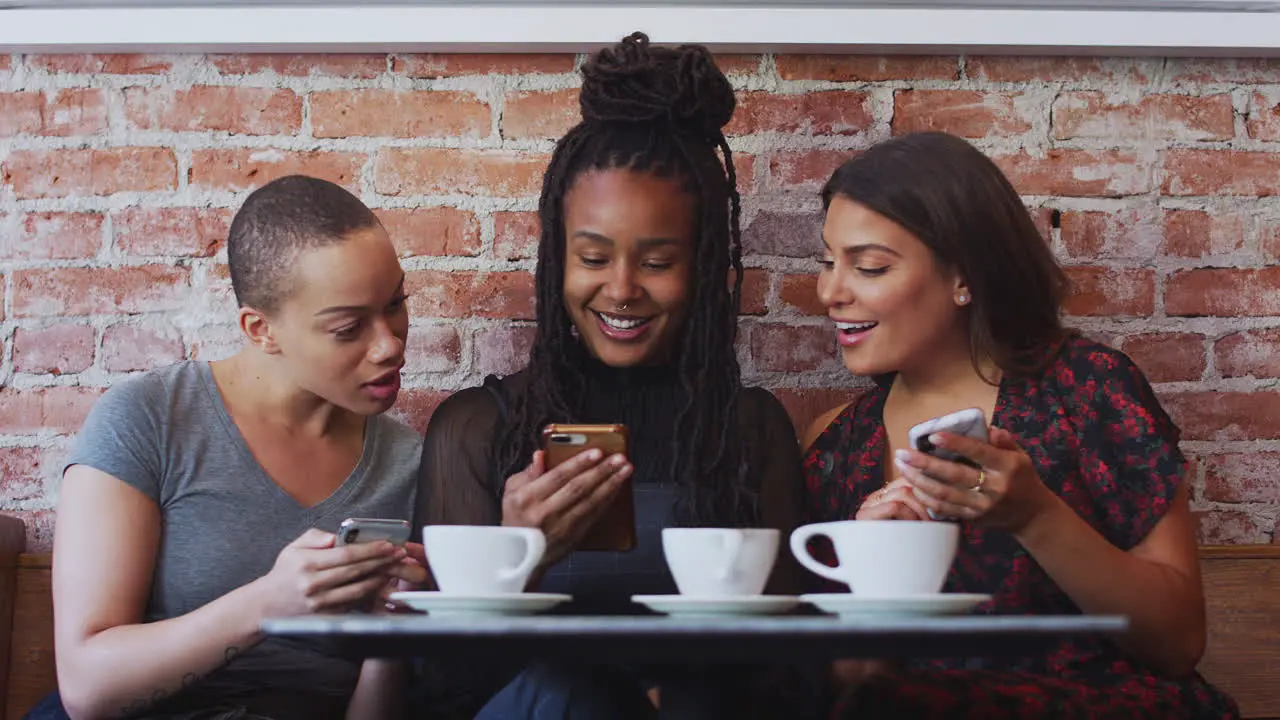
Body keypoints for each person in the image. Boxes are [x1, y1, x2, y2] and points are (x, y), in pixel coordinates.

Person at [411, 32, 817, 720]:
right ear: (557, 260)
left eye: (657, 262)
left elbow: (795, 676)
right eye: (594, 257)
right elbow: (436, 688)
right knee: (572, 693)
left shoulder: (748, 432)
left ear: (704, 268)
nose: (622, 288)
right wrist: (518, 560)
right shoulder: (480, 430)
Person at [801, 131, 1240, 719]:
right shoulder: (834, 444)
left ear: (966, 277)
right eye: (828, 263)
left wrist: (1035, 515)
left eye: (870, 266)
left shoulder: (1087, 390)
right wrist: (878, 590)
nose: (831, 291)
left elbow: (1177, 644)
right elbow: (845, 682)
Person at [39, 175, 427, 720]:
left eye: (396, 304)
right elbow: (87, 689)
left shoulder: (408, 464)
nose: (390, 344)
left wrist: (392, 639)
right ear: (260, 329)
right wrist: (270, 602)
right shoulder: (149, 419)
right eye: (347, 328)